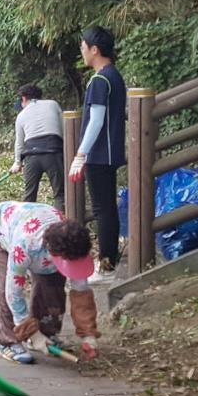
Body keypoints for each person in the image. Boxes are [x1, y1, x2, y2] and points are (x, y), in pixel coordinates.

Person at [0, 200, 101, 363]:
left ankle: (46, 333)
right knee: (3, 288)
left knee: (53, 283)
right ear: (55, 254)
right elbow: (13, 293)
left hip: (29, 222)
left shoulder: (74, 243)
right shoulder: (25, 247)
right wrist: (30, 332)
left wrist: (88, 334)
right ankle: (8, 341)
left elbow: (81, 290)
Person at [68, 26, 127, 281]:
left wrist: (81, 154)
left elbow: (95, 120)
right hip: (110, 152)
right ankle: (109, 260)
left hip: (100, 153)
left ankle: (107, 266)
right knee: (107, 209)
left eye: (83, 47)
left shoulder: (100, 79)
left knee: (103, 210)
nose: (82, 51)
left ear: (95, 49)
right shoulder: (114, 75)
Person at [11, 84, 65, 206]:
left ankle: (28, 223)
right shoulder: (53, 104)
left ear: (24, 98)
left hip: (31, 156)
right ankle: (62, 222)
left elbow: (19, 142)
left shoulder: (21, 115)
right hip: (53, 152)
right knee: (61, 194)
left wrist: (17, 163)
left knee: (29, 196)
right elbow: (63, 129)